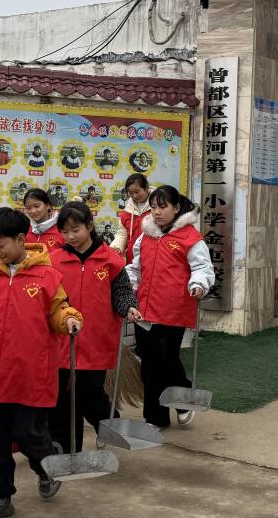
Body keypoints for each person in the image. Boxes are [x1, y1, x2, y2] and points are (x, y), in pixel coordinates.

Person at [0, 207, 81, 518]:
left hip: (31, 374)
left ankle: (47, 467)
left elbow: (60, 309)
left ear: (21, 239)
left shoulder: (47, 277)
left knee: (29, 435)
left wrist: (69, 319)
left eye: (0, 245)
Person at [50, 201, 140, 452]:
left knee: (90, 394)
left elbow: (122, 291)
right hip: (62, 342)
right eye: (64, 231)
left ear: (89, 226)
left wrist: (128, 307)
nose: (70, 236)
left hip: (96, 341)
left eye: (75, 230)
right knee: (63, 398)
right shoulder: (54, 260)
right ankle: (67, 450)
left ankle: (109, 425)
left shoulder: (110, 260)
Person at [126, 185, 215, 428]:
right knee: (148, 363)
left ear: (176, 208)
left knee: (166, 360)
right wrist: (128, 284)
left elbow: (202, 268)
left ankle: (182, 399)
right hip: (145, 310)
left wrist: (198, 284)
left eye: (162, 207)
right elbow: (135, 267)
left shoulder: (190, 238)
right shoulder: (145, 236)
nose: (156, 212)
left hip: (173, 310)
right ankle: (156, 417)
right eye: (153, 207)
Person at [113, 172, 151, 262]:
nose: (134, 196)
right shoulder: (127, 211)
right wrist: (116, 248)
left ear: (146, 188)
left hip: (151, 258)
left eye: (137, 192)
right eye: (131, 193)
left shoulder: (157, 208)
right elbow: (122, 234)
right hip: (132, 259)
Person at [22, 187, 64, 252]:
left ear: (47, 205)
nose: (33, 211)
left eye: (36, 206)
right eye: (28, 208)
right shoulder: (24, 229)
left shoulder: (61, 230)